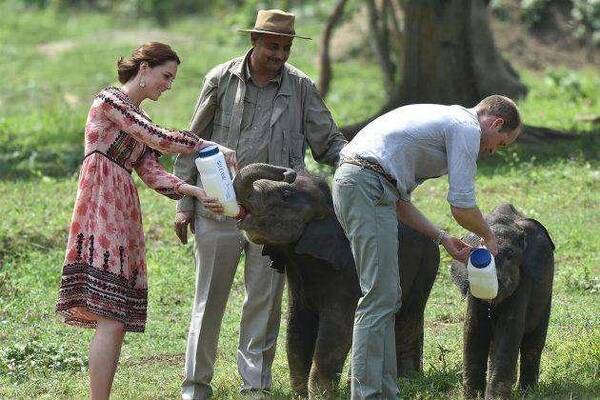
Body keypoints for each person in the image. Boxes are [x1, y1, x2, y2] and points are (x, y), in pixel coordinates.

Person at [173, 9, 347, 399]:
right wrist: (184, 202)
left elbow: (328, 143)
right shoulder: (221, 79)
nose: (279, 54)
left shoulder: (301, 86)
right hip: (219, 208)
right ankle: (195, 386)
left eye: (285, 47)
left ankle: (256, 387)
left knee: (265, 305)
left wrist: (362, 160)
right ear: (254, 42)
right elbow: (190, 141)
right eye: (272, 45)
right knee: (208, 302)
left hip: (278, 221)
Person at [55, 42, 235, 400]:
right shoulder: (110, 101)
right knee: (109, 315)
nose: (168, 85)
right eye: (165, 76)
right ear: (144, 69)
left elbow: (152, 172)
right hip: (100, 202)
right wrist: (201, 144)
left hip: (122, 207)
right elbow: (157, 139)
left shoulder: (140, 121)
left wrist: (193, 192)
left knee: (116, 318)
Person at [331, 95, 522, 399]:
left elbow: (399, 202)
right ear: (495, 122)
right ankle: (367, 394)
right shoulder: (466, 127)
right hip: (364, 184)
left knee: (387, 295)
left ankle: (385, 392)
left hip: (369, 186)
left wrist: (441, 238)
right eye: (499, 143)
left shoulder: (446, 122)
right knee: (378, 297)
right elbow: (461, 206)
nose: (491, 151)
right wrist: (489, 236)